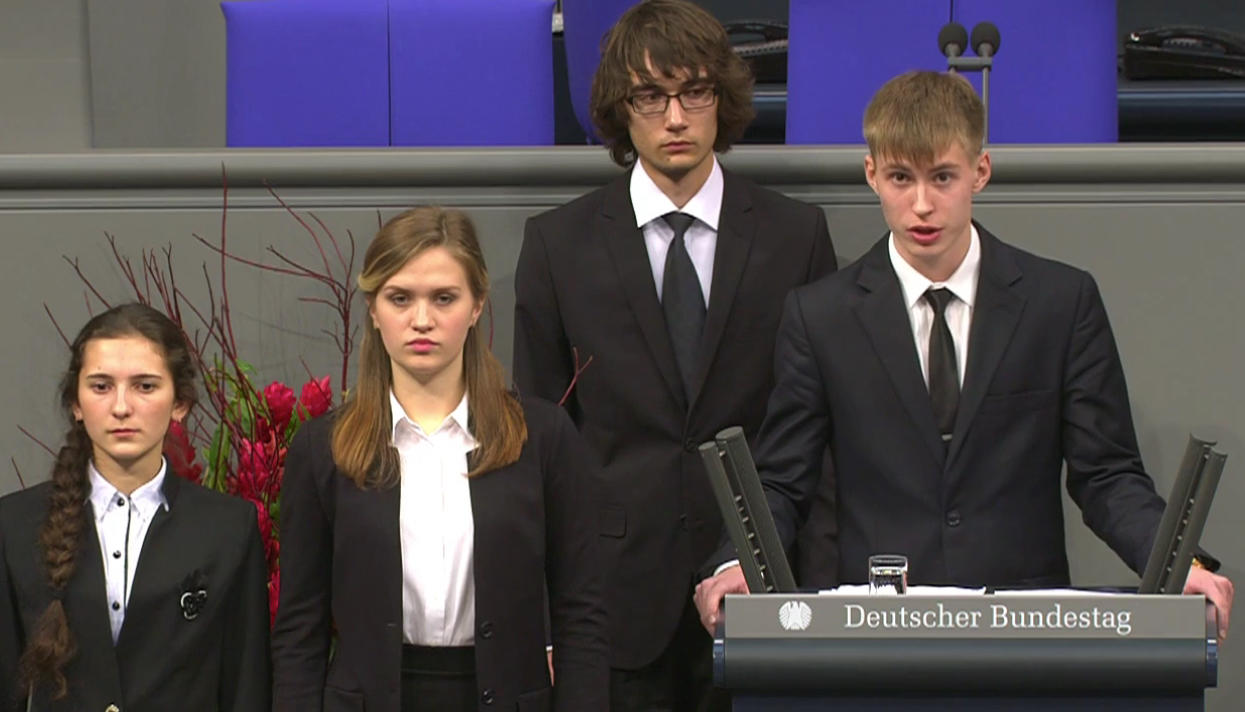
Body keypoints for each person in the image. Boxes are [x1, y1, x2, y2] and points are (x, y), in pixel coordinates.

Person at [695, 70, 1234, 640]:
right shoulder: (819, 316)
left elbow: (1107, 475)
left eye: (942, 177)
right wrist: (736, 564)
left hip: (1023, 634)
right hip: (878, 635)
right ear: (872, 174)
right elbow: (783, 479)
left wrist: (1180, 565)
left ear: (981, 171)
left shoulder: (1060, 303)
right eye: (901, 178)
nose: (921, 205)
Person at [513, 1, 836, 709]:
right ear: (619, 109)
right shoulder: (557, 246)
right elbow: (537, 446)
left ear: (722, 98)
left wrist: (810, 585)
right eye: (650, 97)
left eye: (694, 92)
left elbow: (818, 432)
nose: (676, 117)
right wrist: (544, 617)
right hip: (611, 602)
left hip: (763, 590)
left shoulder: (795, 236)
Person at [272, 207, 608, 712]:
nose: (422, 320)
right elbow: (301, 628)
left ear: (477, 306)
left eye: (444, 298)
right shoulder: (324, 448)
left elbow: (581, 613)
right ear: (373, 308)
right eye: (400, 298)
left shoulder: (542, 438)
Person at [0, 302, 270, 712]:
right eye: (101, 386)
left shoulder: (229, 528)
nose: (122, 407)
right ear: (76, 403)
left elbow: (246, 685)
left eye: (145, 386)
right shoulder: (17, 524)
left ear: (180, 402)